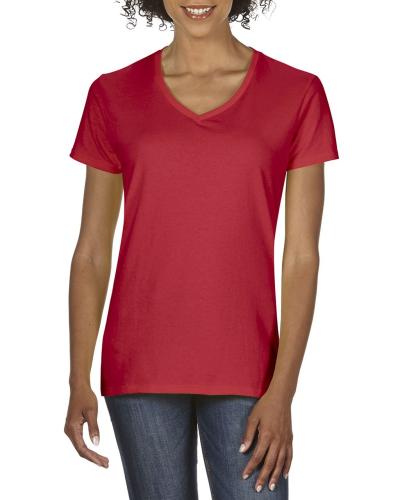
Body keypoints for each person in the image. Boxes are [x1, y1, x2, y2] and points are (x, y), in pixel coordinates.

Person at [64, 0, 339, 498]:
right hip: (140, 365)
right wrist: (77, 376)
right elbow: (92, 250)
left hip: (250, 368)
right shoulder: (112, 94)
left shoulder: (297, 93)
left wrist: (283, 388)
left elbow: (302, 256)